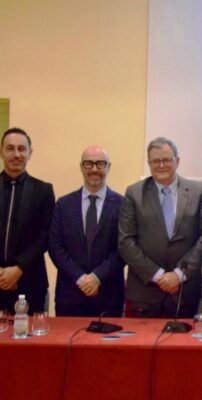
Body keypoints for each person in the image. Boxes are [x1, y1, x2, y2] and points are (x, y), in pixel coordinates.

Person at [118, 137, 202, 318]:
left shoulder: (198, 192)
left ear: (177, 161)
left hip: (184, 292)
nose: (161, 165)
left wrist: (178, 275)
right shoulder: (134, 193)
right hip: (145, 292)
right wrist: (158, 276)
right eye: (156, 161)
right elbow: (126, 241)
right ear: (149, 163)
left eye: (167, 160)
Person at [49, 146, 125, 317]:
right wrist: (81, 278)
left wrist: (97, 277)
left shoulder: (123, 205)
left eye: (100, 164)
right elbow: (55, 247)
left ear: (109, 167)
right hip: (70, 295)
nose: (94, 169)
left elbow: (124, 248)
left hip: (109, 296)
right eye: (89, 164)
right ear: (81, 167)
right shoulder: (63, 204)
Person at [0, 127, 55, 314]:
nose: (16, 154)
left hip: (31, 282)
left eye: (22, 149)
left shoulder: (43, 190)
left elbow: (45, 235)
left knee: (30, 332)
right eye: (10, 148)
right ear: (1, 152)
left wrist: (18, 268)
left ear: (30, 153)